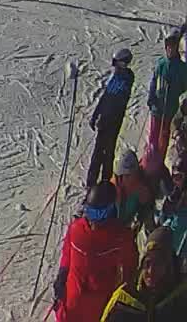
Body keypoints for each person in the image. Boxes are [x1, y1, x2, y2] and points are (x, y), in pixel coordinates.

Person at [54, 181, 137, 322]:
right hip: (72, 302)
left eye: (99, 214)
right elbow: (67, 252)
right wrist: (62, 274)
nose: (93, 220)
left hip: (98, 305)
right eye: (90, 212)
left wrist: (124, 296)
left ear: (111, 210)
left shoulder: (120, 237)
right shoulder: (77, 229)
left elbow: (130, 267)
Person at [89, 48, 138, 188]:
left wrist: (106, 119)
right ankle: (91, 183)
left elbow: (117, 102)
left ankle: (105, 182)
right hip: (104, 121)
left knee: (108, 151)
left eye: (117, 64)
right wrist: (95, 115)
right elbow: (105, 97)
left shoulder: (127, 78)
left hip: (113, 122)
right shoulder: (115, 77)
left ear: (123, 64)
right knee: (98, 151)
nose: (114, 67)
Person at [101, 244, 184, 321]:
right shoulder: (124, 297)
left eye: (158, 265)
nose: (151, 271)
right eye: (147, 264)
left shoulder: (178, 299)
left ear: (168, 268)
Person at [149, 34, 187, 176]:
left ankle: (158, 167)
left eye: (173, 48)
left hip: (170, 109)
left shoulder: (182, 68)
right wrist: (151, 97)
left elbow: (184, 87)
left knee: (163, 140)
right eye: (168, 48)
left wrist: (176, 91)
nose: (170, 50)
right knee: (153, 138)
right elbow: (154, 80)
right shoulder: (161, 63)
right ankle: (150, 164)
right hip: (157, 108)